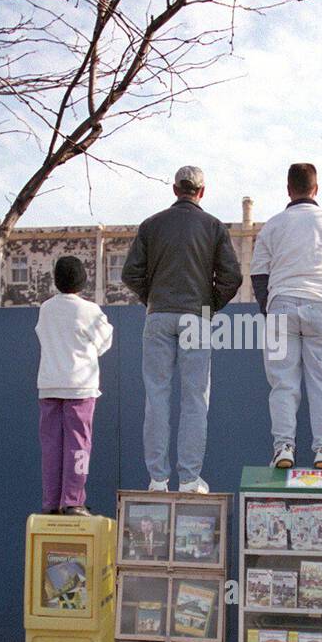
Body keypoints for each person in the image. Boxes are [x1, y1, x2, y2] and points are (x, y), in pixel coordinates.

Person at [122, 166, 242, 492]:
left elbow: (130, 274)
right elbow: (232, 277)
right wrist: (209, 304)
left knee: (156, 398)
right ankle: (189, 479)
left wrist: (153, 299)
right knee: (194, 400)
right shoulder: (214, 227)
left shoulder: (150, 225)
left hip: (158, 315)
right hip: (196, 317)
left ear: (175, 189)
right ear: (202, 192)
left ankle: (157, 479)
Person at [250, 163, 322, 469]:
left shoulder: (273, 225)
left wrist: (268, 308)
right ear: (316, 188)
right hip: (319, 305)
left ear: (289, 189)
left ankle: (284, 447)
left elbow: (259, 273)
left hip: (281, 303)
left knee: (283, 384)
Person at [35, 255, 113, 516]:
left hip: (49, 385)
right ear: (83, 279)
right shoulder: (90, 310)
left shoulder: (45, 308)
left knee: (51, 446)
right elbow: (105, 342)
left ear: (55, 280)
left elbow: (41, 335)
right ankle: (73, 500)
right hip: (80, 386)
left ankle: (50, 502)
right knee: (78, 445)